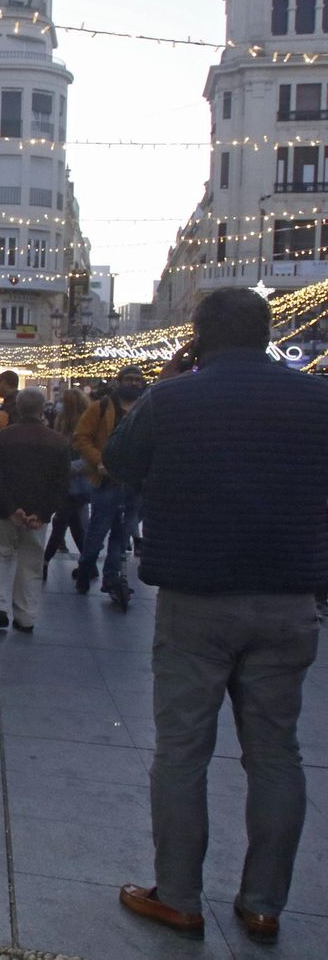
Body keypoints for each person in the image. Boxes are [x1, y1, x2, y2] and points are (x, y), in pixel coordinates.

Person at [108, 288, 328, 945]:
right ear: (266, 334)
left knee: (181, 750)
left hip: (196, 598)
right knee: (276, 754)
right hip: (288, 598)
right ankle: (263, 904)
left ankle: (177, 896)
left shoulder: (174, 397)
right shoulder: (317, 400)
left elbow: (120, 461)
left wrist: (166, 382)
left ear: (198, 337)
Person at [0, 388, 70, 632]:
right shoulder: (58, 442)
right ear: (42, 409)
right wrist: (43, 513)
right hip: (37, 516)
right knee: (31, 561)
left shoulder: (2, 438)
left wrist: (11, 508)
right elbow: (61, 484)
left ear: (18, 408)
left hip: (5, 511)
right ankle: (26, 616)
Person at [72, 364, 146, 597]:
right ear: (119, 381)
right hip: (106, 481)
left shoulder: (147, 408)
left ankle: (111, 577)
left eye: (137, 379)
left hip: (135, 482)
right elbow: (81, 437)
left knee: (122, 535)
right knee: (98, 530)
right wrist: (99, 461)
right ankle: (85, 568)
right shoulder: (101, 407)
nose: (134, 383)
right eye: (129, 379)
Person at [42, 388, 91, 578]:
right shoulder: (63, 422)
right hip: (71, 483)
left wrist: (66, 468)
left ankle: (45, 561)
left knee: (62, 522)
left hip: (74, 483)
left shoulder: (81, 425)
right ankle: (88, 563)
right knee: (73, 524)